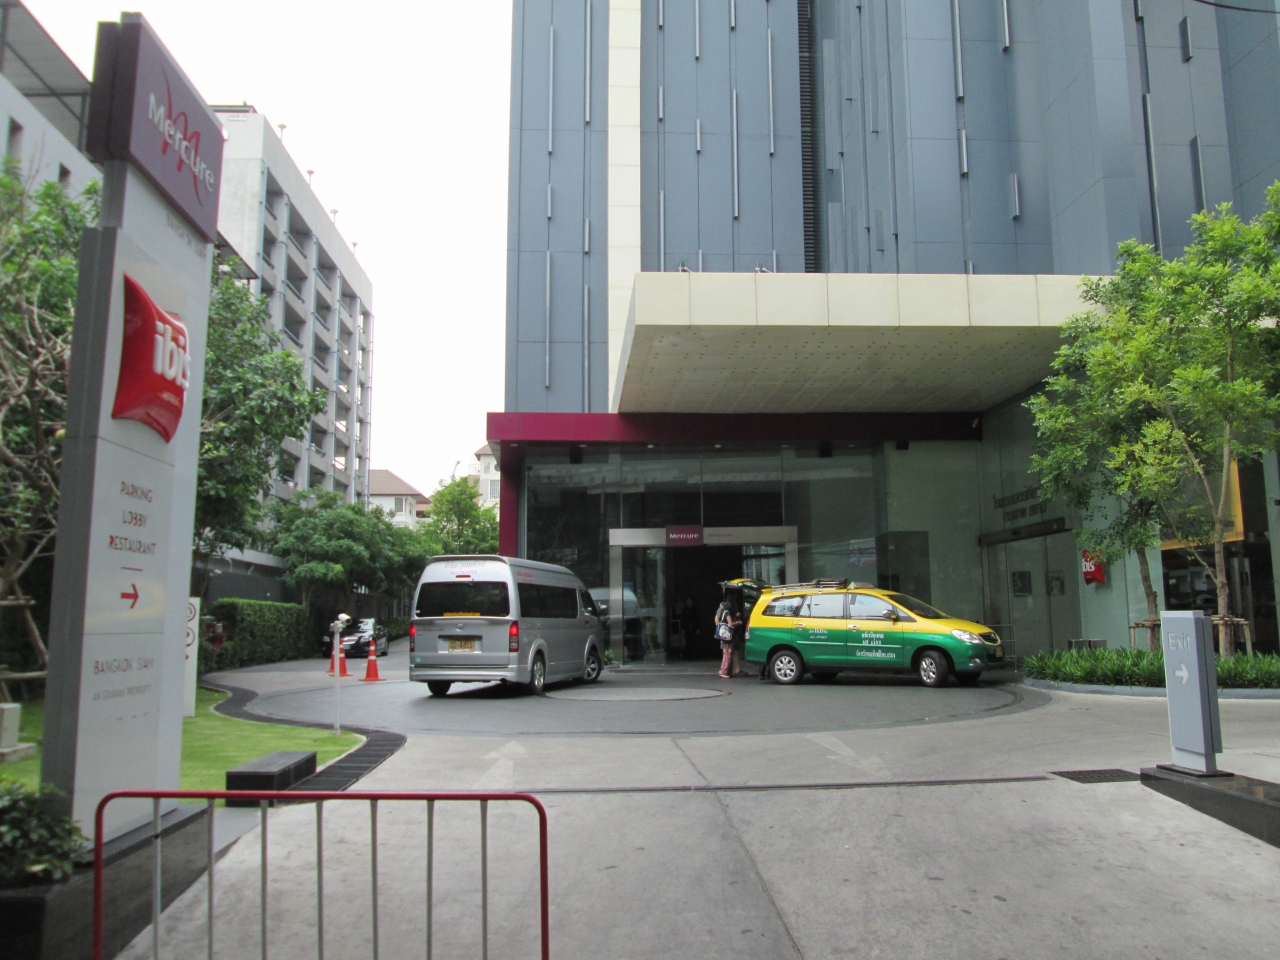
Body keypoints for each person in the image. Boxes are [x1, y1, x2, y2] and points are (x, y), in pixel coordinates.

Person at [714, 595, 741, 679]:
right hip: (728, 636)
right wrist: (738, 623)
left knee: (727, 653)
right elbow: (730, 624)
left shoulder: (722, 611)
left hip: (723, 635)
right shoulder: (727, 612)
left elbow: (717, 620)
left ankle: (728, 671)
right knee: (727, 655)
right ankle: (722, 671)